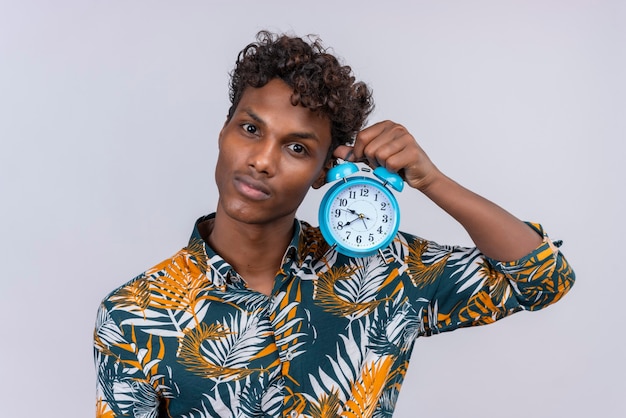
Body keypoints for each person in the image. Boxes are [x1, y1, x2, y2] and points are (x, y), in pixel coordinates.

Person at [94, 31, 575, 418]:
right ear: (224, 131)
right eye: (250, 129)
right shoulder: (134, 315)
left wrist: (432, 180)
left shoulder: (383, 271)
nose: (262, 160)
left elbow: (544, 278)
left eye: (297, 147)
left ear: (327, 170)